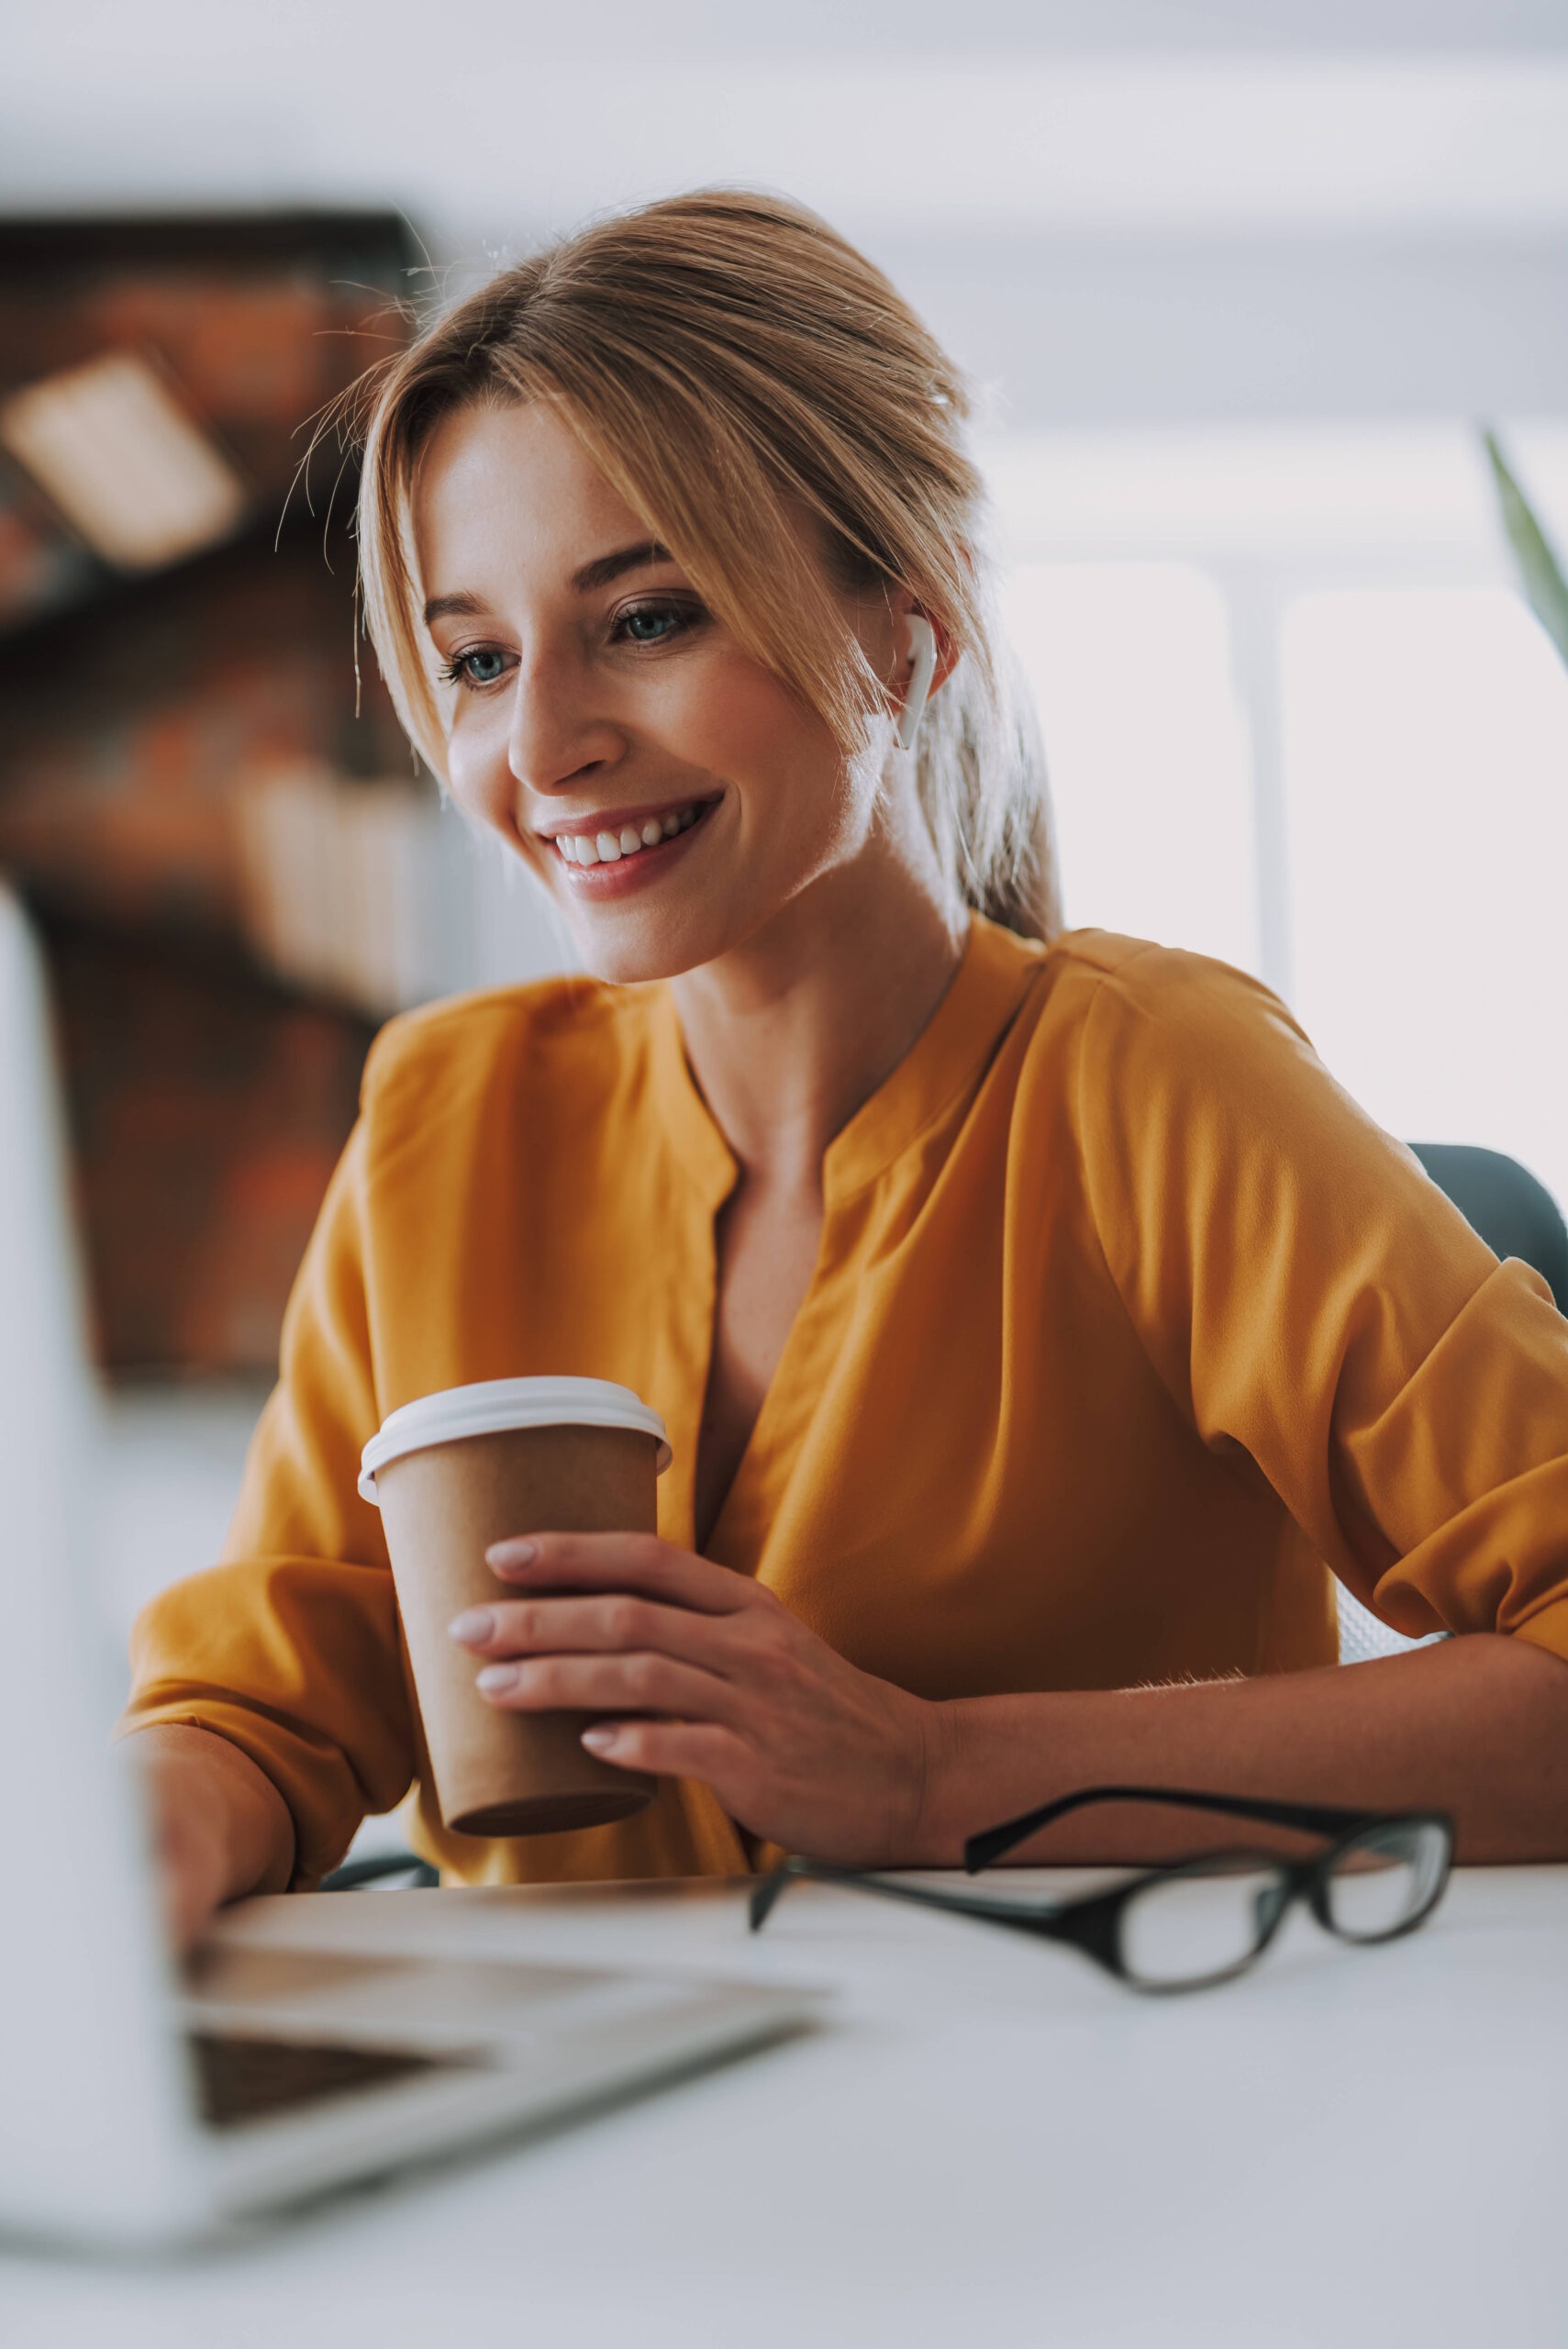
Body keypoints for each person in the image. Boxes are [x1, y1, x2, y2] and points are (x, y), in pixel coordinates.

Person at [122, 191, 1568, 1953]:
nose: (546, 745)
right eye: (478, 660)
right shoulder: (449, 1111)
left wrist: (930, 1775)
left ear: (909, 617)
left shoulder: (1156, 1085)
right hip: (556, 2159)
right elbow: (280, 1694)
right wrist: (138, 1828)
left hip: (1115, 2145)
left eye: (646, 619)